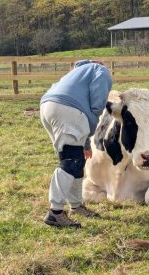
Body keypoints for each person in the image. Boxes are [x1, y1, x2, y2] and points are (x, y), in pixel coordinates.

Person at [40, 59, 113, 228]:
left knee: (75, 157)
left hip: (48, 106)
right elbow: (97, 103)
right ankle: (55, 212)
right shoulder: (101, 70)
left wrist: (85, 144)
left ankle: (76, 205)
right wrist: (93, 130)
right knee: (70, 161)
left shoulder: (77, 72)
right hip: (68, 110)